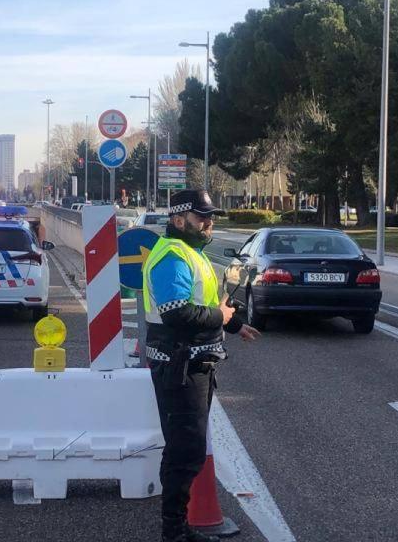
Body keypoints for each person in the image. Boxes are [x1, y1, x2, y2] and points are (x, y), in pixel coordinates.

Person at [141, 189, 259, 542]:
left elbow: (204, 303)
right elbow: (177, 313)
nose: (209, 223)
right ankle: (173, 533)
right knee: (184, 451)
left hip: (194, 364)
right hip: (179, 367)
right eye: (201, 217)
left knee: (188, 449)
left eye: (211, 217)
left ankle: (179, 529)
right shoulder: (174, 256)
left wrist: (233, 324)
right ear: (179, 220)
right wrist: (220, 316)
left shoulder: (192, 253)